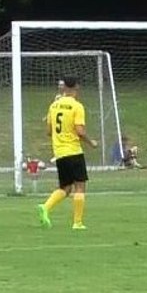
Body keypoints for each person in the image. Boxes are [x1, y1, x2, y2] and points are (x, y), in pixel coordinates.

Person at [37, 76, 96, 229]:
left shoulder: (54, 105)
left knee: (65, 187)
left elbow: (49, 131)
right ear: (76, 87)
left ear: (64, 88)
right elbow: (80, 131)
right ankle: (77, 222)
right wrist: (91, 142)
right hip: (74, 151)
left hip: (59, 153)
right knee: (80, 186)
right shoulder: (77, 106)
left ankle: (46, 207)